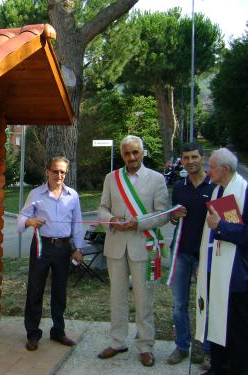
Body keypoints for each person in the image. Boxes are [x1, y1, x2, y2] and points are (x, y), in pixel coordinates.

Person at [97, 135, 169, 367]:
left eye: (135, 152)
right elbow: (102, 208)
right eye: (127, 153)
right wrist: (111, 219)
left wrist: (139, 223)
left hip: (143, 245)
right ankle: (118, 341)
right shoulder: (111, 178)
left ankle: (145, 345)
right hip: (116, 245)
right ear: (122, 155)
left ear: (143, 152)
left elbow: (163, 214)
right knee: (116, 297)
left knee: (143, 298)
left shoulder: (156, 179)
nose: (131, 157)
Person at [17, 155, 85, 351]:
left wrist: (78, 249)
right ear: (47, 172)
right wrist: (29, 221)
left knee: (59, 291)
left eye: (62, 172)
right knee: (35, 289)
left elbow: (77, 223)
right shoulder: (36, 194)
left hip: (63, 248)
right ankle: (33, 334)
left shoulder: (73, 195)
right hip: (41, 246)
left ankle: (58, 331)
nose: (59, 175)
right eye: (55, 171)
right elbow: (23, 216)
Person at [196, 148, 248, 375]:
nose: (208, 171)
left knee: (237, 326)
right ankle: (218, 366)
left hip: (238, 273)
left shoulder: (244, 192)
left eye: (212, 167)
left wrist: (222, 227)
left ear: (225, 169)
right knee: (217, 319)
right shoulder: (217, 190)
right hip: (216, 267)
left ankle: (237, 368)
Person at [167, 143, 214, 367]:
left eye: (194, 157)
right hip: (181, 254)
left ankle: (207, 350)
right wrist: (175, 216)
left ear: (202, 158)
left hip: (206, 256)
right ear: (182, 161)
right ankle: (182, 346)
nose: (190, 161)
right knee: (179, 304)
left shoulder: (215, 187)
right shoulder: (179, 187)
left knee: (207, 303)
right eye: (186, 158)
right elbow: (173, 220)